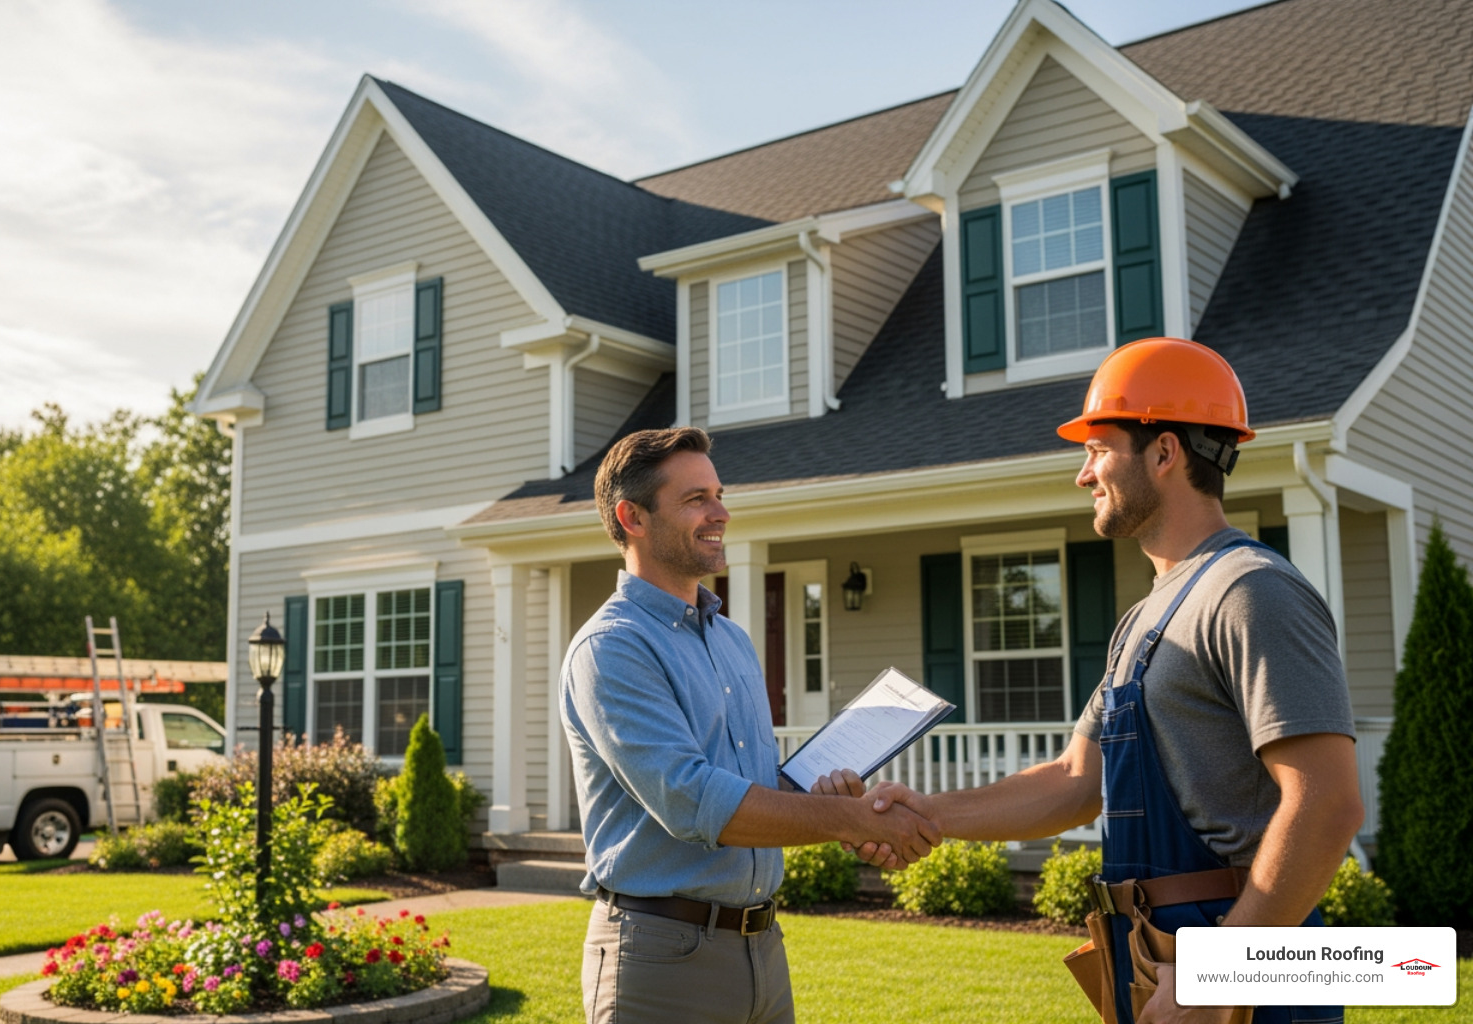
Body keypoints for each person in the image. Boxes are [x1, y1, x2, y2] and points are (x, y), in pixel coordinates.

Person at [839, 338, 1363, 1024]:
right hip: (1156, 957)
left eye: (1098, 449)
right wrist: (926, 814)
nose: (1085, 475)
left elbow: (1327, 805)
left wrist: (1221, 977)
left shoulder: (1252, 592)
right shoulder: (1144, 619)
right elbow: (1073, 781)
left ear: (1165, 452)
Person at [561, 426, 940, 1024]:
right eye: (696, 499)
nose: (721, 513)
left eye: (718, 493)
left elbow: (756, 789)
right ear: (632, 517)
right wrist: (849, 820)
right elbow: (692, 801)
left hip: (761, 946)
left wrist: (823, 800)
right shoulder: (613, 648)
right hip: (661, 958)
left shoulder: (731, 638)